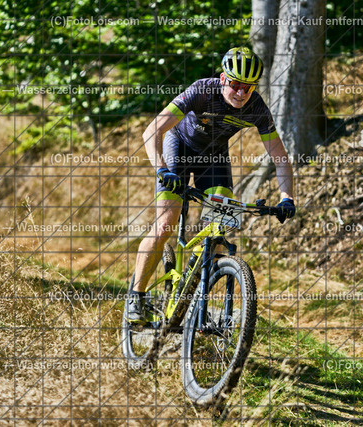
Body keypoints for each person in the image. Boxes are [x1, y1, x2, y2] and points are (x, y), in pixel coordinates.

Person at [126, 47, 296, 323]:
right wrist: (162, 170)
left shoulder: (256, 108)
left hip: (214, 157)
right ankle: (137, 296)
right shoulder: (202, 91)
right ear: (223, 78)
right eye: (236, 85)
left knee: (219, 231)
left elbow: (280, 158)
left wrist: (287, 197)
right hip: (179, 147)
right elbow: (153, 130)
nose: (241, 93)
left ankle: (197, 295)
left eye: (248, 87)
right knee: (166, 223)